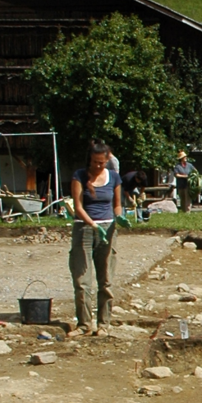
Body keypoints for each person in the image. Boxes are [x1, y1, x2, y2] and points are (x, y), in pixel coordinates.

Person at [69, 138, 121, 331]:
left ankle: (104, 324)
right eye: (95, 162)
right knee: (82, 280)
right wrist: (92, 224)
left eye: (102, 163)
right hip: (84, 228)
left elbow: (117, 204)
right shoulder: (79, 176)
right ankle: (84, 324)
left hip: (108, 230)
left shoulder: (114, 177)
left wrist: (119, 216)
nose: (98, 166)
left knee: (106, 280)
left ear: (107, 161)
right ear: (89, 160)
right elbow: (78, 207)